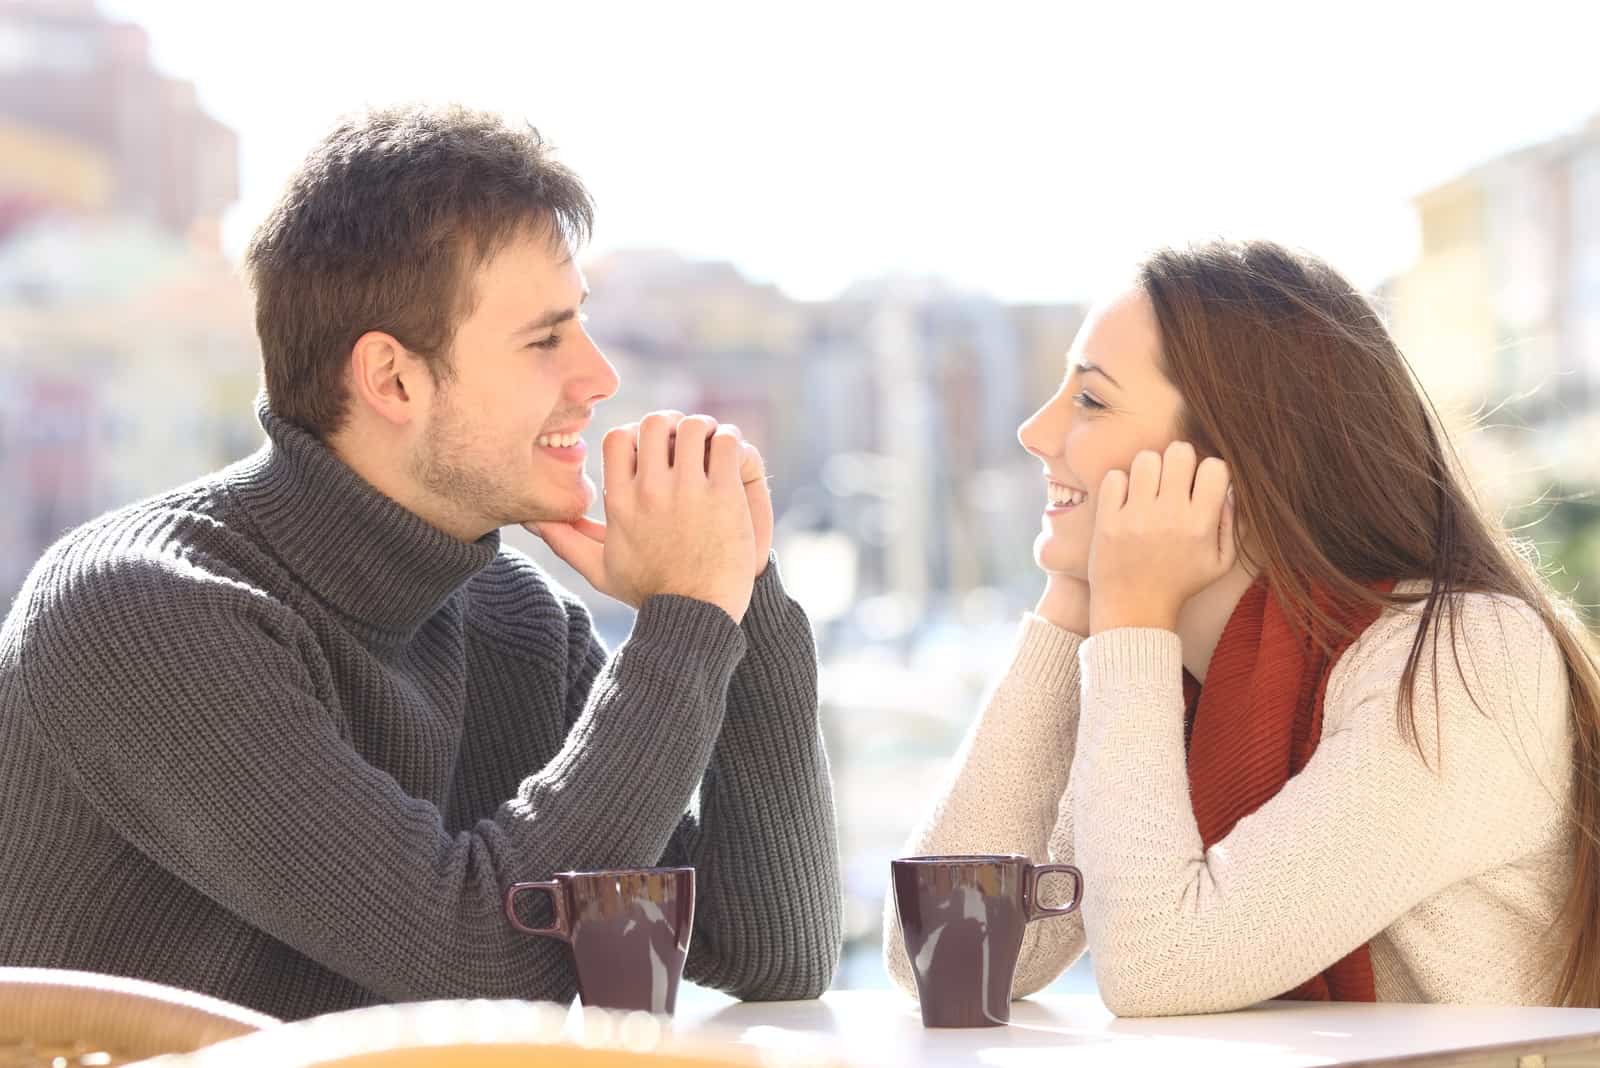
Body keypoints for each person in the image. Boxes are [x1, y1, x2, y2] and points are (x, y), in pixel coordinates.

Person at [0, 103, 841, 1021]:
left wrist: (740, 591)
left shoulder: (512, 622)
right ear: (392, 379)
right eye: (545, 339)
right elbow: (476, 961)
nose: (599, 377)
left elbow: (765, 949)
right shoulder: (143, 612)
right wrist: (686, 619)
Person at [883, 238, 1600, 1016]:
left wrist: (1129, 621)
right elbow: (946, 958)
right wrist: (1071, 609)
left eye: (1090, 399)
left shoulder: (1467, 659)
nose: (1035, 430)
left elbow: (1160, 967)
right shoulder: (1181, 680)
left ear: (1236, 457)